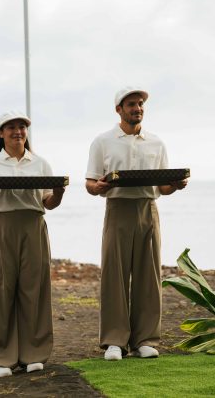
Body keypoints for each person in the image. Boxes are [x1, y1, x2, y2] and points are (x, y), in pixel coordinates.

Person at [85, 87, 188, 361]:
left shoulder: (156, 143)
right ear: (119, 109)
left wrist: (175, 186)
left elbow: (163, 186)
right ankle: (114, 341)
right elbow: (90, 184)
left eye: (140, 104)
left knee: (148, 276)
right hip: (117, 209)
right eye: (131, 104)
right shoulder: (103, 142)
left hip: (147, 210)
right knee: (114, 276)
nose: (137, 108)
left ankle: (145, 339)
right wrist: (99, 186)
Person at [0, 110, 65, 377]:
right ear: (1, 133)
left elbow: (49, 202)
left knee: (33, 289)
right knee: (0, 290)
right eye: (11, 127)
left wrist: (58, 192)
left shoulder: (40, 163)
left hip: (33, 225)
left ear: (27, 131)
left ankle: (33, 353)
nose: (17, 131)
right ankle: (0, 356)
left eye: (22, 127)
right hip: (0, 226)